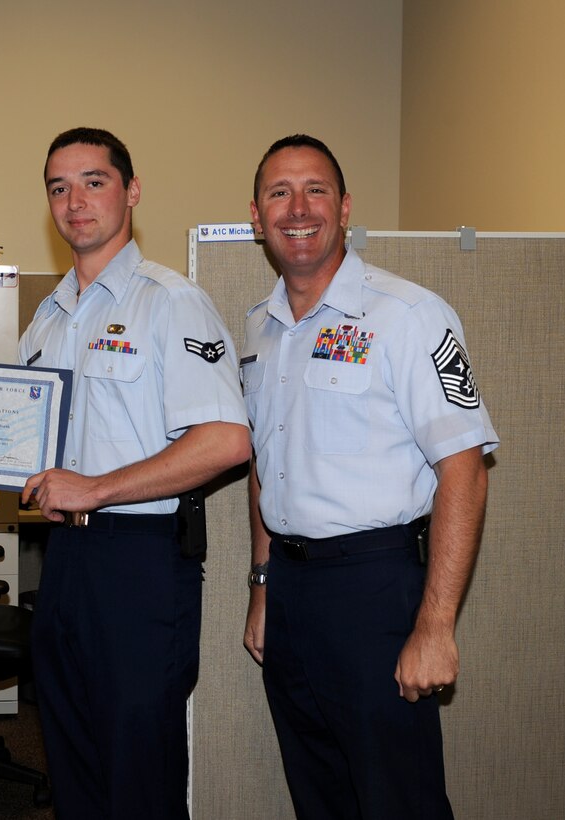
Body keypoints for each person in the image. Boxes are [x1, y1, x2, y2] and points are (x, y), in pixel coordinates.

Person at [0, 127, 251, 819]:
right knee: (69, 759)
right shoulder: (48, 317)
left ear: (130, 191)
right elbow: (4, 455)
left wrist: (95, 487)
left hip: (140, 566)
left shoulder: (168, 302)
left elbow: (225, 441)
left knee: (135, 771)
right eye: (58, 187)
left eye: (93, 181)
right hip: (66, 559)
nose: (74, 201)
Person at [240, 134, 499, 819]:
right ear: (255, 215)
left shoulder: (407, 315)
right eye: (278, 193)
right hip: (292, 592)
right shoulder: (259, 332)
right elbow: (266, 470)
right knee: (318, 790)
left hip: (375, 590)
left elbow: (465, 470)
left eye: (314, 190)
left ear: (345, 207)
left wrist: (435, 626)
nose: (297, 208)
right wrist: (263, 587)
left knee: (396, 797)